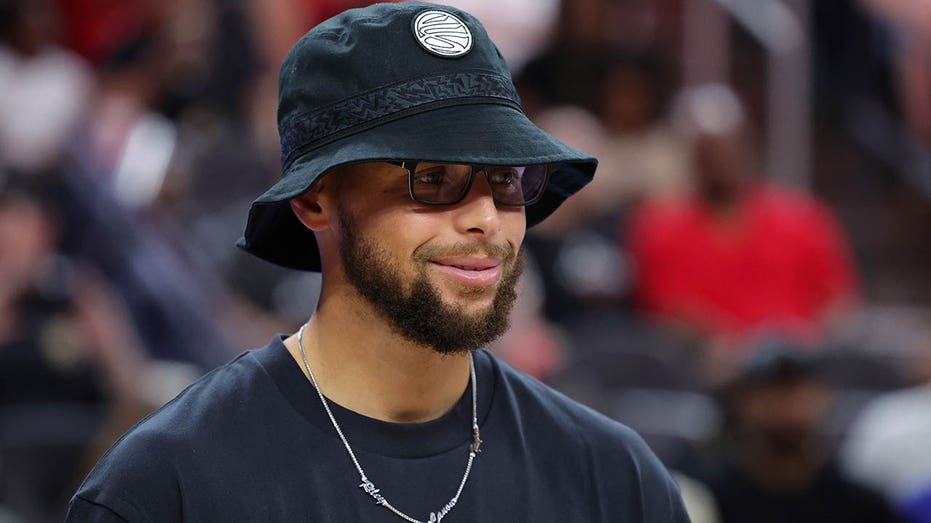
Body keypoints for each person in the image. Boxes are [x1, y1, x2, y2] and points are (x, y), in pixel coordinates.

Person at [66, 3, 689, 522]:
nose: (486, 219)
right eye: (433, 179)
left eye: (505, 179)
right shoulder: (165, 488)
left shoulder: (616, 482)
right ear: (316, 197)